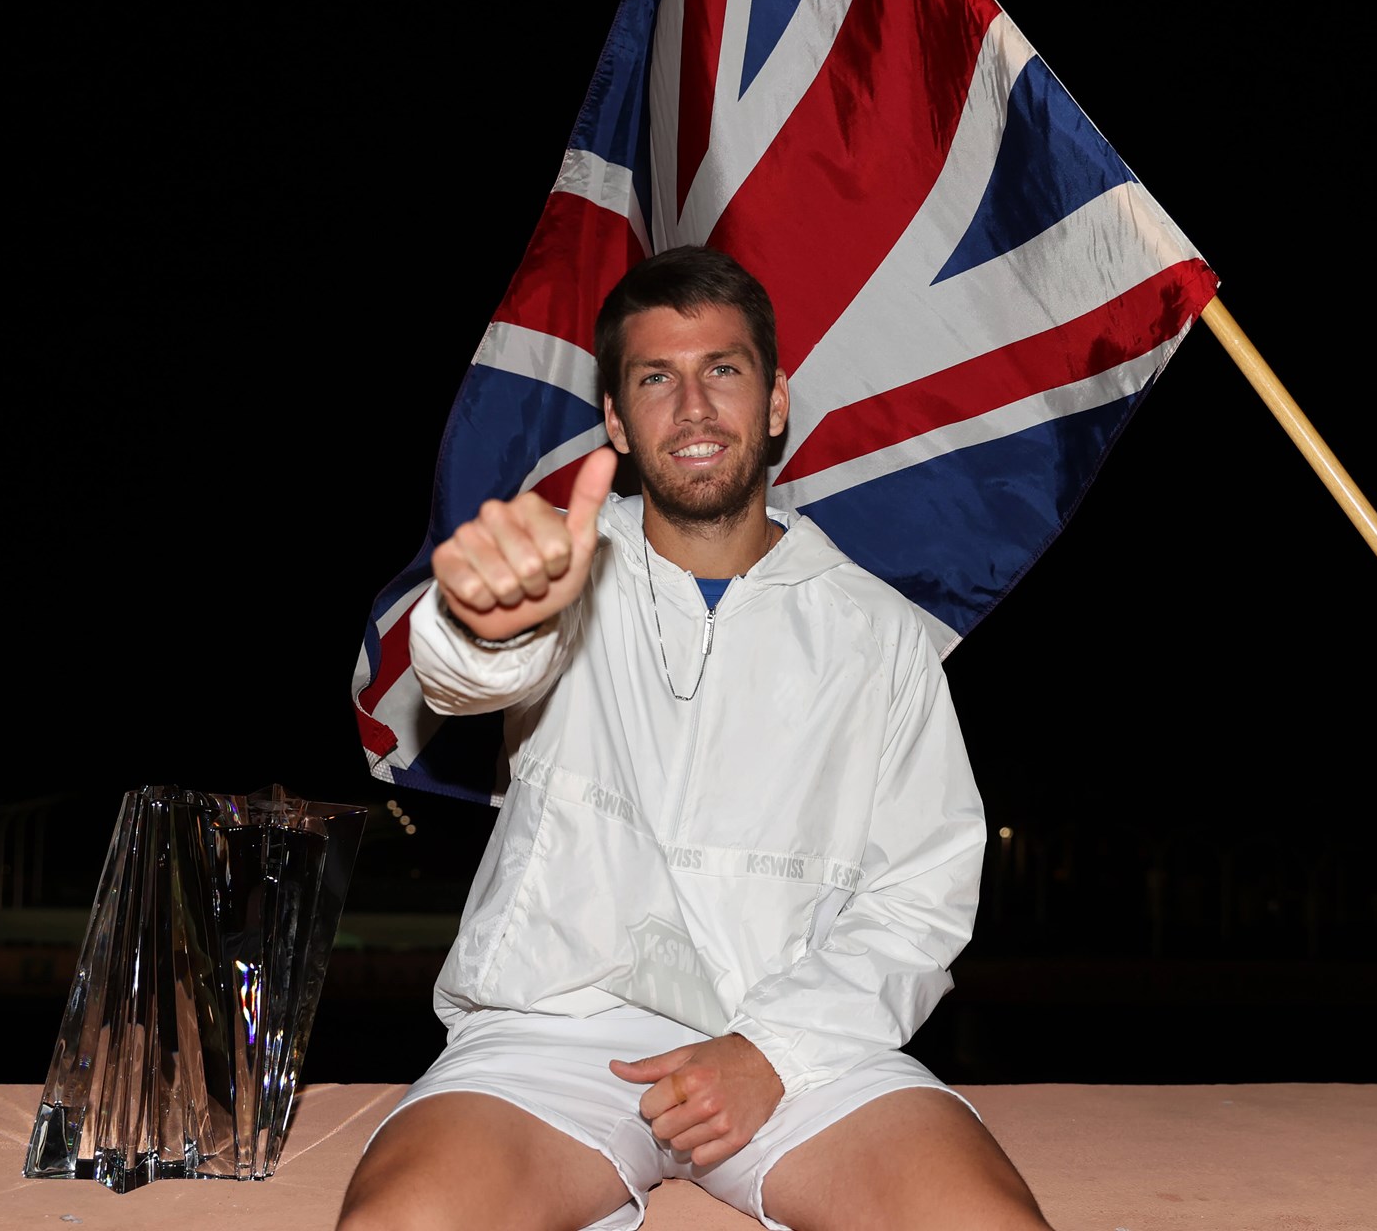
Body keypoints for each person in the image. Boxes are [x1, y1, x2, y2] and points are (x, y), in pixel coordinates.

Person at [338, 245, 1053, 1231]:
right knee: (403, 1224)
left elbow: (918, 896)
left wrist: (770, 1050)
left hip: (798, 1040)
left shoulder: (876, 632)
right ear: (616, 421)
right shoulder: (563, 574)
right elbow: (472, 674)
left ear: (773, 403)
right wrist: (478, 626)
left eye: (721, 369)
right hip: (551, 1035)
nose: (692, 404)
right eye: (654, 379)